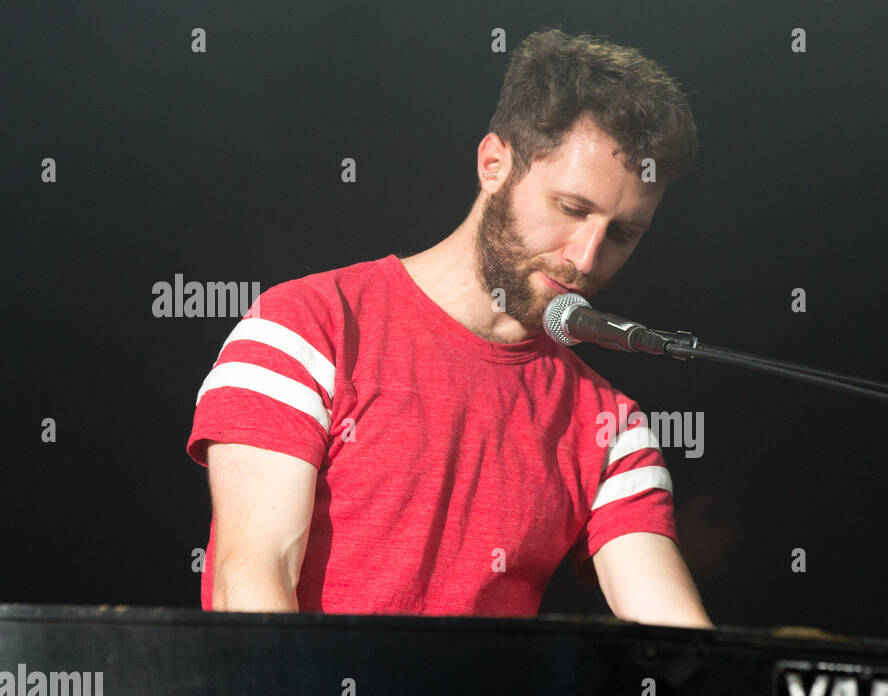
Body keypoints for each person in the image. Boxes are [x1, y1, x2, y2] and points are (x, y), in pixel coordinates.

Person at [186, 29, 711, 628]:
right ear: (494, 163)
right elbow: (251, 581)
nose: (587, 257)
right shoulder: (306, 326)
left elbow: (680, 651)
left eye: (622, 234)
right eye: (571, 209)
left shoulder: (610, 426)